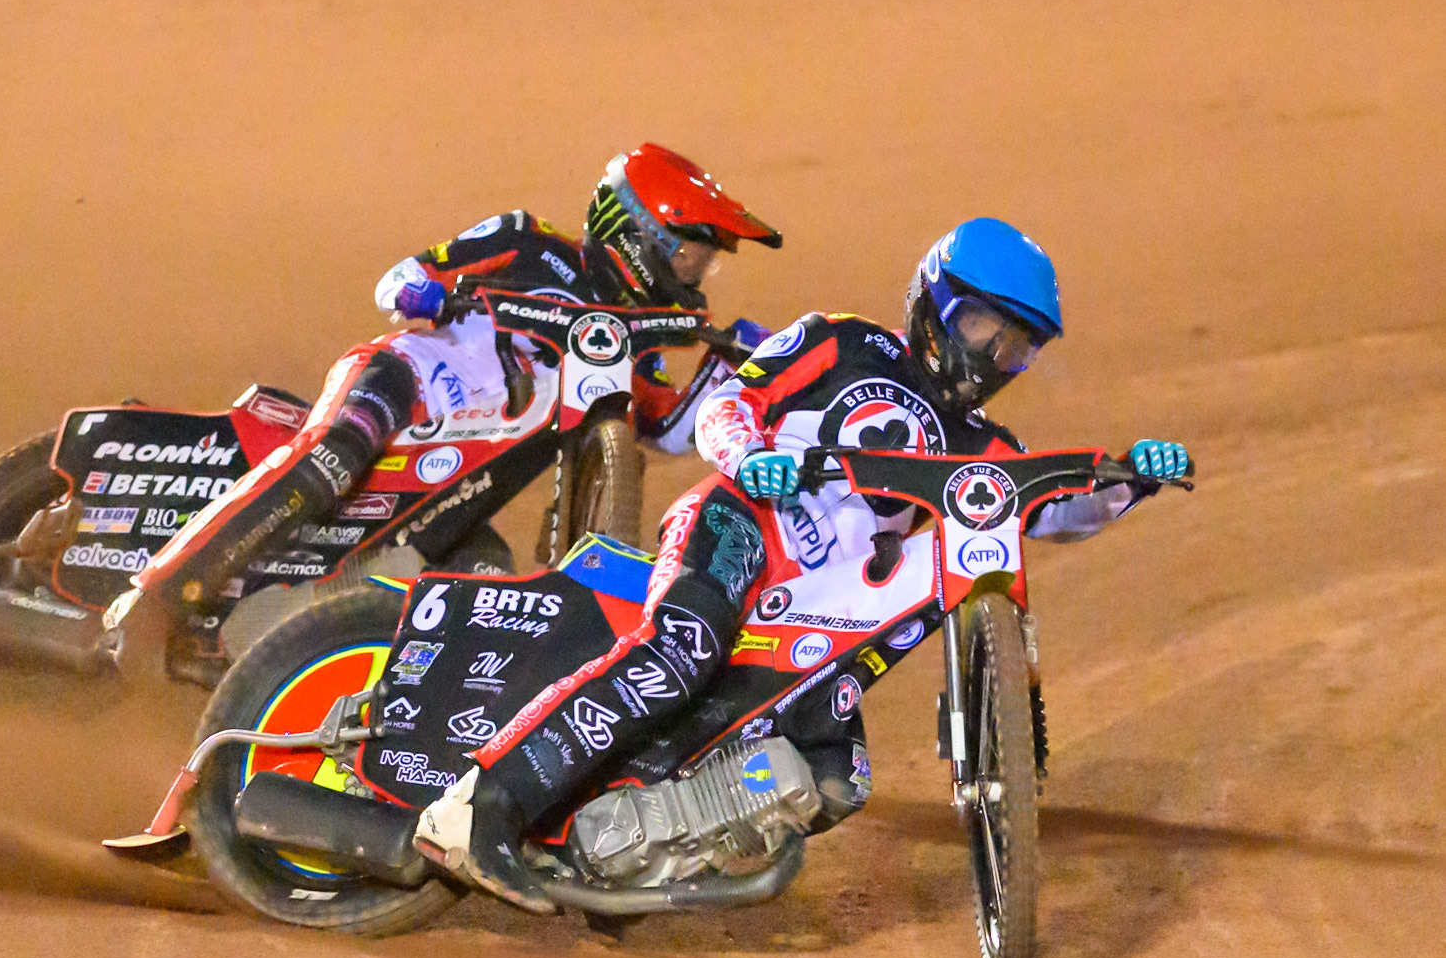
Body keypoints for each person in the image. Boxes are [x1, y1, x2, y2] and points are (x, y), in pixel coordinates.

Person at [418, 217, 1192, 913]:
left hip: (819, 609)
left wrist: (1129, 482)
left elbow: (1050, 508)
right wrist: (747, 458)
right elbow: (732, 403)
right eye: (984, 323)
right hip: (743, 525)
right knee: (680, 649)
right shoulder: (843, 341)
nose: (992, 354)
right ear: (935, 301)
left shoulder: (985, 445)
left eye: (1015, 345)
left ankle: (629, 849)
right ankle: (479, 808)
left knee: (835, 775)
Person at [105, 144, 782, 679]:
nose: (696, 273)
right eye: (692, 251)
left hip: (462, 484)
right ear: (641, 232)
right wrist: (426, 291)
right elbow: (403, 277)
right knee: (331, 458)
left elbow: (663, 424)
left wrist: (732, 367)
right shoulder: (529, 243)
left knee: (482, 584)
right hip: (404, 381)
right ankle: (158, 594)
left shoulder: (639, 332)